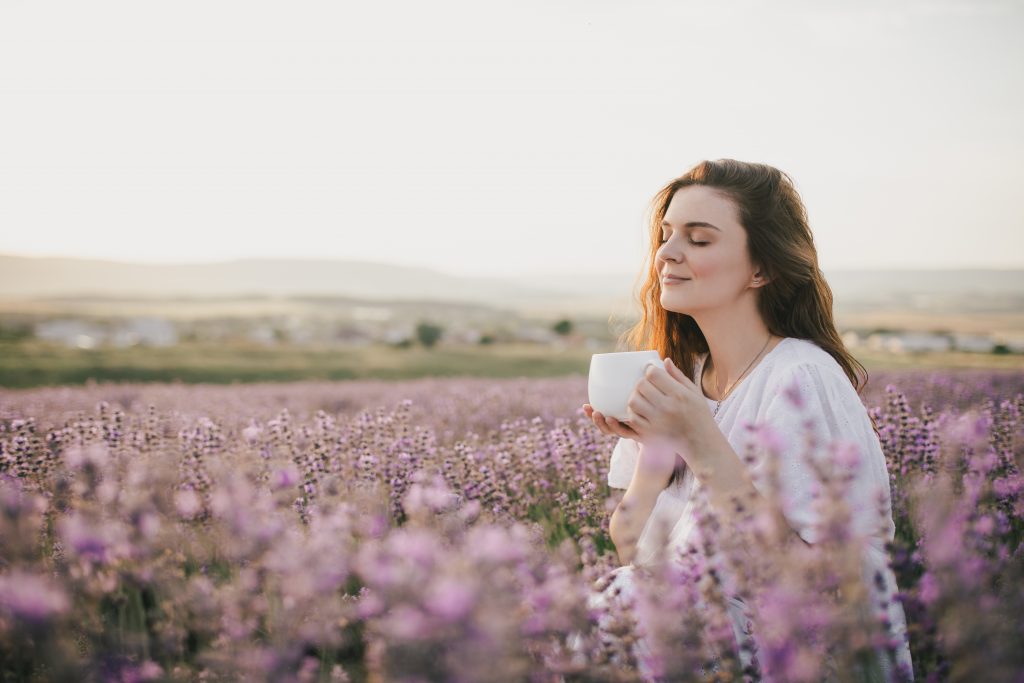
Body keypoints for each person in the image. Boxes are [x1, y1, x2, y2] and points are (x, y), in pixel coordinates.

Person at [580, 159, 914, 681]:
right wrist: (658, 449)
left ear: (761, 269)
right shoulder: (683, 377)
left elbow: (827, 590)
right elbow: (630, 549)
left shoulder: (799, 378)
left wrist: (702, 441)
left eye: (699, 239)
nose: (667, 253)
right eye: (666, 235)